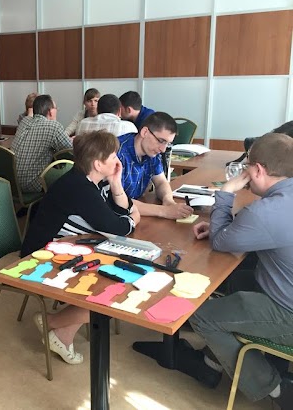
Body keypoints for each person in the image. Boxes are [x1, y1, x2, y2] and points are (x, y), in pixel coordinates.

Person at [187, 133, 293, 408]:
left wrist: (225, 191)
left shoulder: (266, 211)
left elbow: (221, 242)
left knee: (201, 316)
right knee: (237, 279)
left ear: (257, 170)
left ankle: (275, 389)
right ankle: (213, 361)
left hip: (288, 313)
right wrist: (229, 227)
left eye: (246, 166)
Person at [23, 131, 140, 364]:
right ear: (98, 164)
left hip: (68, 248)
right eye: (113, 156)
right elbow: (119, 227)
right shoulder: (80, 188)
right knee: (113, 292)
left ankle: (59, 331)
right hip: (41, 256)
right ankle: (52, 323)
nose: (118, 160)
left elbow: (117, 213)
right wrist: (133, 218)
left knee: (118, 281)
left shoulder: (91, 181)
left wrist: (116, 183)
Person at [117, 112, 193, 219]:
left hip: (135, 215)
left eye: (167, 143)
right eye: (161, 141)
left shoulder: (152, 152)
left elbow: (161, 182)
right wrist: (165, 211)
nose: (163, 149)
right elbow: (119, 201)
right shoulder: (117, 152)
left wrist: (168, 201)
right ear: (145, 132)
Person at [11, 94, 72, 193]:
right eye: (56, 108)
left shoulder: (24, 121)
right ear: (50, 111)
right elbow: (70, 151)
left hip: (12, 183)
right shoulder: (53, 127)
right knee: (68, 172)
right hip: (30, 184)